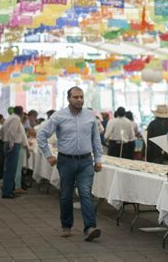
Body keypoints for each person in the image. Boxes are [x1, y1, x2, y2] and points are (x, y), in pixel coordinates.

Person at [37, 87, 103, 241]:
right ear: (68, 99)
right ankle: (66, 225)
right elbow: (42, 135)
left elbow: (96, 139)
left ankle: (90, 228)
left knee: (86, 194)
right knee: (66, 194)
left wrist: (98, 159)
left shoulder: (90, 116)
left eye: (81, 97)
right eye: (76, 97)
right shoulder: (58, 116)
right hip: (65, 161)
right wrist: (48, 155)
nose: (79, 100)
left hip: (86, 161)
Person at [0, 106, 29, 199]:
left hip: (8, 143)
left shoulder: (10, 117)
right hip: (13, 145)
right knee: (11, 170)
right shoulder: (16, 119)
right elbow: (12, 132)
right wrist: (11, 144)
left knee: (8, 169)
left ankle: (8, 190)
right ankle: (7, 192)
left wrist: (5, 140)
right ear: (21, 112)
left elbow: (1, 131)